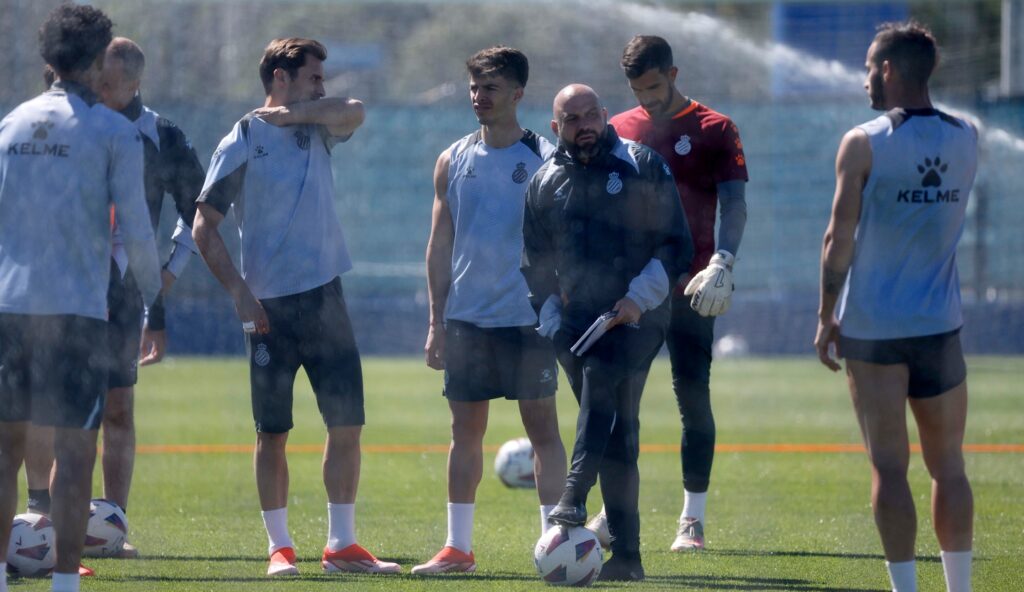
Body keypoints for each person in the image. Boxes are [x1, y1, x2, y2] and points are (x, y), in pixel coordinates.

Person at [192, 37, 399, 577]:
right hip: (268, 308)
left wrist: (296, 113)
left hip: (326, 296)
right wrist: (239, 291)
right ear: (280, 77)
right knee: (273, 432)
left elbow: (355, 112)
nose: (322, 88)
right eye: (312, 77)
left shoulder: (315, 126)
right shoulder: (240, 138)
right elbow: (203, 227)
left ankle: (342, 544)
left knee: (346, 423)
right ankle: (280, 547)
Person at [23, 37, 205, 560]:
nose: (96, 91)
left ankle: (111, 526)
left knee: (118, 408)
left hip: (123, 292)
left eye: (107, 84)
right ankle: (45, 520)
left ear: (133, 85)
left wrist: (167, 273)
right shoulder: (67, 127)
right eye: (94, 81)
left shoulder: (161, 135)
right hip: (63, 284)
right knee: (54, 406)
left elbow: (200, 209)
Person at [0, 5, 161, 592]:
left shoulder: (11, 124)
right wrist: (155, 307)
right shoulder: (113, 130)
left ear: (48, 60)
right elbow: (138, 232)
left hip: (10, 308)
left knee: (5, 451)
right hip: (75, 312)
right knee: (74, 456)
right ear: (98, 63)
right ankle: (65, 584)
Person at [814, 22, 976, 592]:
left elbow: (838, 240)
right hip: (939, 326)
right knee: (949, 468)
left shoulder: (864, 141)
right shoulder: (967, 137)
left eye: (867, 69)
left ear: (886, 70)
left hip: (875, 331)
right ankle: (960, 588)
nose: (863, 82)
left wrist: (825, 314)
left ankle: (906, 588)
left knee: (889, 467)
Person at [523, 84, 692, 581]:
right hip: (577, 328)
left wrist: (637, 299)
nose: (585, 125)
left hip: (640, 316)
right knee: (616, 435)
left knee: (601, 383)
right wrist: (551, 318)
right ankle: (630, 558)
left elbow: (675, 244)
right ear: (557, 128)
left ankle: (573, 497)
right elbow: (534, 264)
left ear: (605, 114)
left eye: (591, 114)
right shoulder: (545, 182)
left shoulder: (643, 164)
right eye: (572, 119)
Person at [591, 35, 749, 552]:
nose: (647, 99)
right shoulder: (619, 129)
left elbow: (734, 203)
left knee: (693, 400)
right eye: (638, 89)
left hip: (690, 290)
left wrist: (724, 259)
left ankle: (692, 520)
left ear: (674, 73)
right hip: (634, 293)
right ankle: (614, 514)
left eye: (655, 87)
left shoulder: (715, 128)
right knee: (620, 406)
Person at [412, 47, 566, 575]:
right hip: (468, 321)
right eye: (475, 88)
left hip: (527, 320)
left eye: (491, 88)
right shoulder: (452, 159)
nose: (479, 97)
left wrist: (559, 302)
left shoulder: (545, 157)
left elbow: (563, 241)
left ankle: (554, 543)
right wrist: (436, 320)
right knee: (464, 432)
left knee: (543, 428)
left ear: (518, 94)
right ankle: (458, 548)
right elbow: (439, 243)